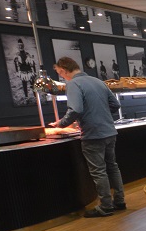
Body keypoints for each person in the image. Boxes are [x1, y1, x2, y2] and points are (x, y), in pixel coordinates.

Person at [49, 56, 125, 217]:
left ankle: (106, 206)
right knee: (112, 167)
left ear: (63, 70)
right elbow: (116, 105)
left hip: (93, 134)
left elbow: (75, 109)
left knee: (99, 171)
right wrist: (101, 115)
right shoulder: (98, 81)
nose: (61, 76)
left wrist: (60, 124)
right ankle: (119, 201)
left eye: (60, 73)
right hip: (110, 131)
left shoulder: (73, 84)